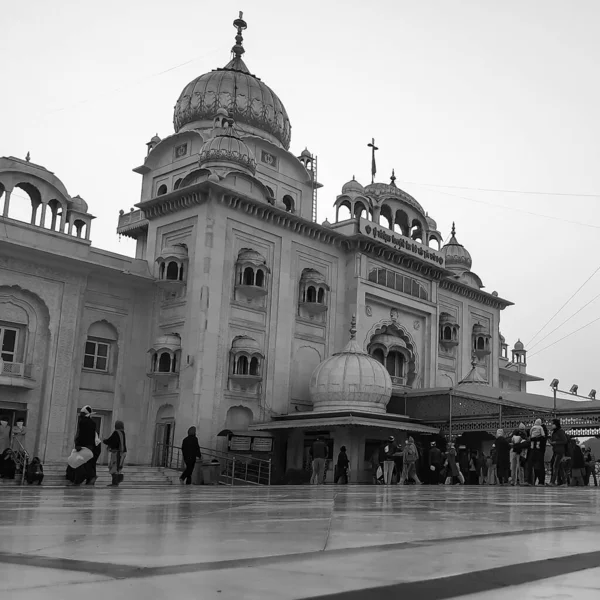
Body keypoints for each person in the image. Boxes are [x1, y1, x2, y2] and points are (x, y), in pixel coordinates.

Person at [72, 405, 97, 486]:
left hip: (82, 446)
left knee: (78, 463)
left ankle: (78, 480)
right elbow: (93, 436)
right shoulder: (93, 423)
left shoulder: (82, 421)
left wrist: (77, 444)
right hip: (90, 446)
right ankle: (91, 477)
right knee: (88, 463)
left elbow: (80, 434)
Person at [103, 421, 127, 487]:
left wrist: (104, 441)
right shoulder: (122, 433)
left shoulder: (116, 432)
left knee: (114, 467)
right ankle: (116, 482)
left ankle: (115, 482)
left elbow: (111, 441)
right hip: (122, 453)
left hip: (117, 453)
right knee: (118, 467)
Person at [549, 418, 568, 486]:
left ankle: (553, 482)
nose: (552, 425)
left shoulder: (560, 431)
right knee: (560, 467)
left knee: (555, 466)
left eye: (553, 424)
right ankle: (564, 482)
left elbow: (565, 441)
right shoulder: (554, 432)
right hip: (555, 451)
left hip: (560, 451)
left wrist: (556, 442)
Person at [528, 420, 547, 486]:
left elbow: (530, 434)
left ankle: (532, 481)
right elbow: (543, 435)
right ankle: (541, 481)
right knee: (539, 467)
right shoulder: (542, 436)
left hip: (533, 452)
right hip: (539, 452)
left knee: (533, 467)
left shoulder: (532, 431)